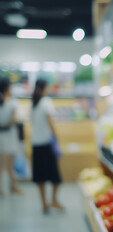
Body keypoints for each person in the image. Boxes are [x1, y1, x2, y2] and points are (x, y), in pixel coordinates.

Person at [31, 79, 64, 213]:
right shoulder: (46, 102)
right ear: (45, 87)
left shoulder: (34, 103)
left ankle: (44, 203)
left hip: (35, 144)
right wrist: (57, 139)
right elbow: (51, 123)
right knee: (55, 176)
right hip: (46, 143)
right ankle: (54, 200)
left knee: (40, 176)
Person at [0, 77, 21, 195]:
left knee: (1, 165)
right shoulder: (12, 102)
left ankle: (3, 188)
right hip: (9, 136)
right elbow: (15, 119)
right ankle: (13, 187)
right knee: (9, 165)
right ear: (8, 88)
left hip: (1, 136)